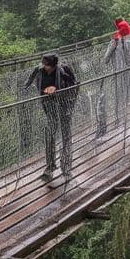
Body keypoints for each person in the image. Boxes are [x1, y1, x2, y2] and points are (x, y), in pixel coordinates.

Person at [25, 53, 77, 184]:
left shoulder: (63, 70)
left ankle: (66, 167)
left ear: (53, 66)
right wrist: (43, 90)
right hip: (49, 108)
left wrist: (58, 89)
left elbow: (74, 85)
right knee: (50, 135)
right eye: (43, 64)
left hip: (64, 106)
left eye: (47, 65)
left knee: (65, 135)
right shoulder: (40, 70)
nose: (44, 67)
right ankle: (50, 167)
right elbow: (29, 84)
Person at [100, 19, 130, 134]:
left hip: (118, 72)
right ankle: (123, 119)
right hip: (125, 72)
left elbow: (106, 59)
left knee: (119, 96)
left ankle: (120, 119)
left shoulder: (116, 41)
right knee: (124, 95)